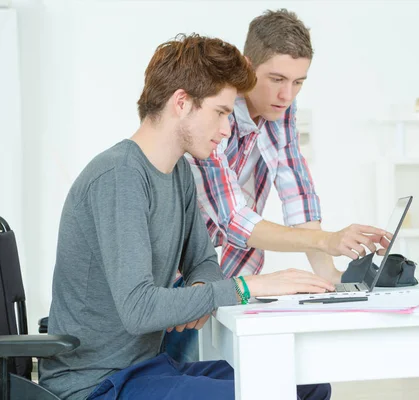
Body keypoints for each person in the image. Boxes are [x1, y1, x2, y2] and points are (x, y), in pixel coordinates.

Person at [39, 33, 333, 400]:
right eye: (221, 113)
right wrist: (246, 288)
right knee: (267, 394)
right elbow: (139, 309)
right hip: (97, 384)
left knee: (308, 383)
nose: (227, 129)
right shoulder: (119, 177)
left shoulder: (178, 173)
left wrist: (203, 287)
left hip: (149, 369)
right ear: (182, 102)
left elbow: (204, 261)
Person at [164, 9, 391, 363]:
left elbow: (296, 191)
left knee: (234, 375)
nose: (287, 94)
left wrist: (331, 276)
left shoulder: (281, 110)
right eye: (277, 78)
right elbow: (234, 221)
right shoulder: (213, 112)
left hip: (232, 272)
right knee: (177, 372)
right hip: (181, 277)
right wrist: (327, 240)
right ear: (247, 65)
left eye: (299, 82)